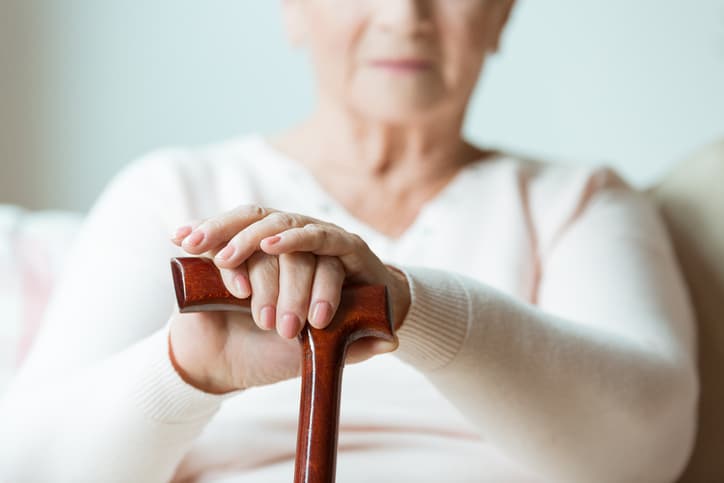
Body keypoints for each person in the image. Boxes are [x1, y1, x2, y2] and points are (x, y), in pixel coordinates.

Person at [0, 1, 698, 481]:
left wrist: (408, 308)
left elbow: (647, 449)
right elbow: (32, 466)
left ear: (503, 12)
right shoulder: (174, 192)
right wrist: (189, 365)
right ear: (293, 8)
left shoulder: (578, 201)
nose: (405, 16)